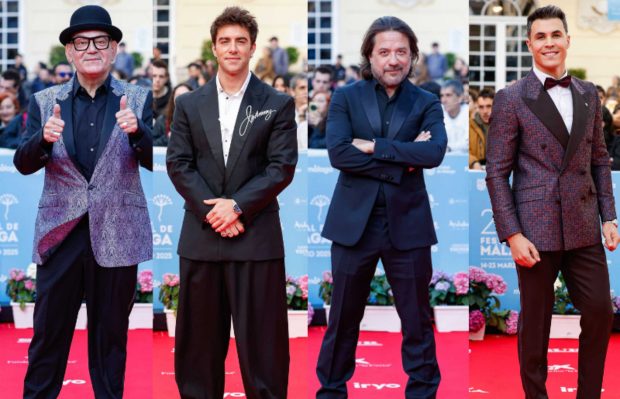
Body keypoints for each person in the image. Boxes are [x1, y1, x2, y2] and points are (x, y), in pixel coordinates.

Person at [13, 5, 153, 398]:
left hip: (117, 235)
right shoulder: (43, 101)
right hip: (61, 236)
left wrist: (138, 132)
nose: (91, 48)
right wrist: (42, 140)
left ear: (113, 50)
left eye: (100, 41)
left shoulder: (139, 99)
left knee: (110, 343)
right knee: (48, 339)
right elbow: (23, 163)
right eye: (81, 42)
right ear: (70, 52)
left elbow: (159, 158)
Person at [485, 6, 619, 399]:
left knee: (599, 312)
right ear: (529, 44)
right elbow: (497, 172)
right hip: (535, 230)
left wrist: (608, 216)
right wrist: (511, 233)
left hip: (583, 224)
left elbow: (599, 158)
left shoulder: (588, 94)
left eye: (555, 35)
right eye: (540, 37)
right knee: (536, 326)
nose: (549, 43)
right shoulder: (511, 98)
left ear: (567, 40)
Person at [166, 7, 297, 398]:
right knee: (198, 351)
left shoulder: (277, 102)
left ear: (253, 47)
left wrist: (236, 206)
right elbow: (178, 163)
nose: (233, 48)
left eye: (241, 41)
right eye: (225, 41)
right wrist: (214, 211)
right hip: (201, 241)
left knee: (264, 351)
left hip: (255, 239)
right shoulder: (189, 104)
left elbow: (281, 167)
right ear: (214, 48)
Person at [316, 15, 446, 399]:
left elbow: (434, 152)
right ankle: (332, 391)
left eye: (401, 52)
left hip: (408, 225)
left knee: (417, 320)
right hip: (354, 225)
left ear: (412, 57)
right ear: (369, 57)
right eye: (384, 51)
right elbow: (338, 153)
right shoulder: (345, 97)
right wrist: (403, 161)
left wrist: (374, 146)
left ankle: (422, 392)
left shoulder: (427, 102)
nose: (393, 60)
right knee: (342, 318)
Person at [440, 79, 468, 153]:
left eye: (448, 95)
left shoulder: (468, 112)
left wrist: (449, 148)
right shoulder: (437, 111)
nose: (443, 100)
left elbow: (468, 143)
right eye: (442, 95)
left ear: (460, 97)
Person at [469, 88, 494, 169]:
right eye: (481, 107)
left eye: (489, 106)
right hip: (476, 171)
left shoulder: (506, 125)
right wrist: (473, 162)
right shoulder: (470, 125)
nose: (485, 111)